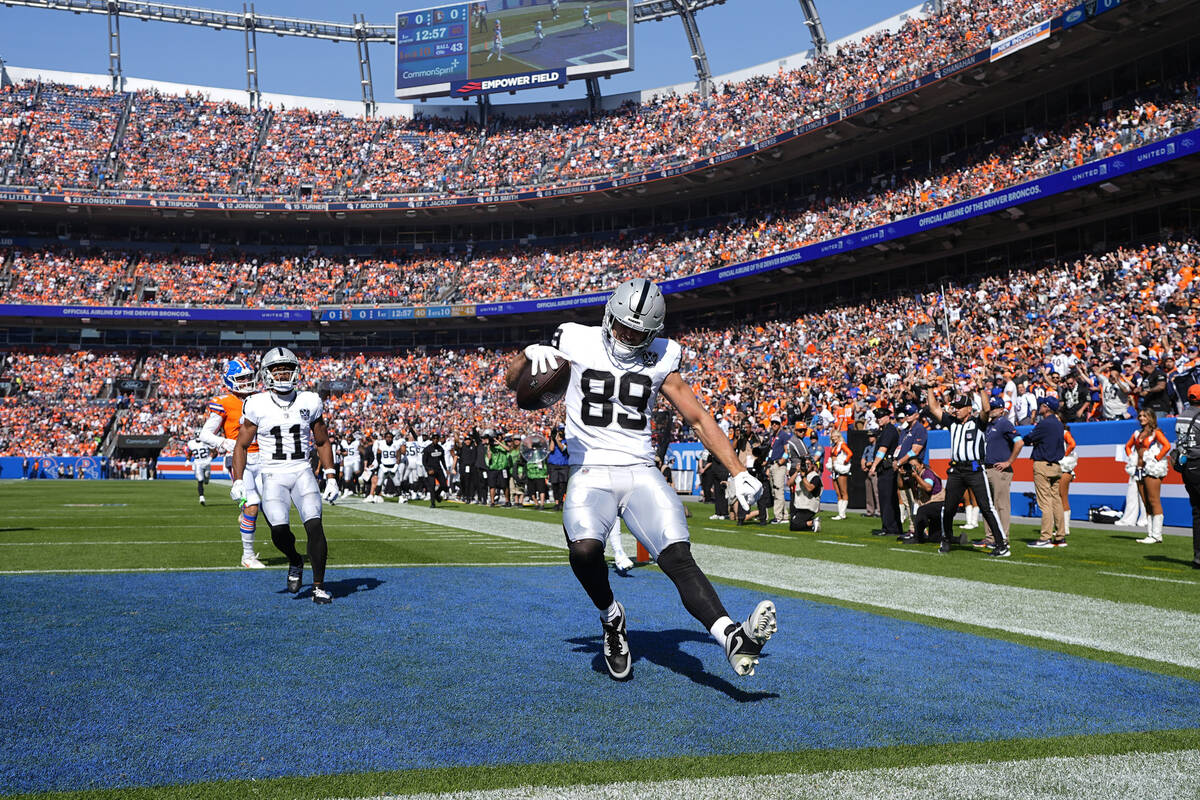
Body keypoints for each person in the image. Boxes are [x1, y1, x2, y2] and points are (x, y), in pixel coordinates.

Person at [508, 277, 776, 681]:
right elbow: (513, 382)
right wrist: (528, 356)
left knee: (677, 556)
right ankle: (611, 617)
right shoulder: (573, 339)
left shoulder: (663, 356)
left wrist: (738, 470)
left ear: (654, 332)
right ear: (608, 316)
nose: (627, 336)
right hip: (590, 469)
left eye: (638, 332)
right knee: (583, 551)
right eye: (622, 327)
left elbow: (698, 417)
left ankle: (731, 637)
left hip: (639, 469)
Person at [231, 347, 340, 604]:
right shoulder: (256, 403)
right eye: (277, 370)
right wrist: (237, 480)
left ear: (296, 371)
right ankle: (294, 559)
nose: (282, 374)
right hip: (272, 473)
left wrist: (331, 475)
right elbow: (241, 445)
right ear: (267, 374)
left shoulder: (309, 400)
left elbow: (322, 441)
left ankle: (318, 586)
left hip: (301, 469)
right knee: (279, 531)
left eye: (287, 369)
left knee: (314, 525)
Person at [197, 359, 265, 569]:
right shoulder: (224, 402)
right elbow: (205, 434)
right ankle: (247, 556)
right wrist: (227, 443)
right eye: (241, 378)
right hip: (240, 460)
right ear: (230, 380)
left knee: (271, 505)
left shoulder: (261, 399)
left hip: (263, 458)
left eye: (248, 377)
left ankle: (244, 515)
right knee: (252, 506)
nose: (246, 381)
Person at [925, 388, 1009, 557]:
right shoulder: (952, 422)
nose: (955, 409)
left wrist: (981, 387)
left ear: (969, 409)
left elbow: (986, 410)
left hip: (975, 470)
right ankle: (946, 539)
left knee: (987, 507)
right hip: (956, 470)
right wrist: (929, 388)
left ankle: (1001, 544)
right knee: (948, 509)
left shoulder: (978, 422)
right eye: (954, 406)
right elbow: (934, 408)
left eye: (959, 406)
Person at [980, 396, 1023, 549]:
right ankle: (990, 537)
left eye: (993, 407)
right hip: (988, 468)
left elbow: (1019, 442)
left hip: (999, 470)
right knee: (988, 505)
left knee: (1001, 504)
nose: (990, 410)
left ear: (1000, 409)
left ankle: (1003, 537)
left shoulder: (1004, 423)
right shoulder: (989, 424)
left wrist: (1009, 462)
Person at [1024, 397, 1068, 548]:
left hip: (1043, 464)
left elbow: (1029, 438)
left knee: (1045, 502)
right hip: (1056, 466)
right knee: (1056, 500)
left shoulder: (1045, 423)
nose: (1039, 407)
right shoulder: (1058, 424)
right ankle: (1060, 536)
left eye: (1042, 405)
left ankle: (1045, 537)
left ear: (1046, 407)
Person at [1127, 409, 1172, 544]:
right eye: (1140, 416)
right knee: (1146, 502)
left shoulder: (1156, 433)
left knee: (1154, 500)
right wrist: (1132, 458)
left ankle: (1157, 535)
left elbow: (1167, 446)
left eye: (1144, 416)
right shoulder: (1137, 433)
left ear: (1151, 418)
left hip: (1151, 470)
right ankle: (1150, 534)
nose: (1141, 418)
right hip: (1139, 470)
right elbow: (1127, 447)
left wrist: (1156, 459)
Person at [1173, 384, 1200, 567]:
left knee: (1197, 512)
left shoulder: (1182, 416)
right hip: (1198, 463)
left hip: (1187, 467)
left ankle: (1198, 555)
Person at [869, 407, 902, 537]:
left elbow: (883, 450)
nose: (879, 419)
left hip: (887, 469)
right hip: (885, 469)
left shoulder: (888, 431)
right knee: (887, 498)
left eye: (881, 417)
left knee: (887, 499)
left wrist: (873, 465)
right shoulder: (885, 430)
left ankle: (890, 527)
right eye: (877, 417)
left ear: (888, 416)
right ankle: (890, 526)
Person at [898, 461, 944, 544]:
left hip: (939, 502)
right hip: (930, 504)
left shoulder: (927, 473)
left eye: (914, 465)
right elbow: (901, 486)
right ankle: (958, 539)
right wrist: (900, 474)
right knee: (935, 538)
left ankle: (918, 537)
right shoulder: (911, 475)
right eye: (910, 466)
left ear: (922, 465)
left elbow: (928, 488)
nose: (913, 468)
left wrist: (916, 476)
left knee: (922, 511)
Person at [789, 455, 822, 532]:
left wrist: (803, 477)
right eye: (804, 464)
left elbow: (810, 488)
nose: (806, 466)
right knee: (794, 523)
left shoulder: (815, 477)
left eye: (808, 464)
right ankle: (812, 524)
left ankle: (812, 523)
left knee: (793, 526)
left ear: (813, 465)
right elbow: (789, 483)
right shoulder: (800, 475)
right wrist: (797, 472)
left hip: (808, 507)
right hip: (799, 505)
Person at [1059, 426, 1077, 542]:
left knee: (1062, 496)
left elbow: (1072, 444)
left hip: (1065, 468)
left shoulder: (1065, 433)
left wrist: (1064, 455)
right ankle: (1060, 526)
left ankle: (1065, 528)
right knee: (1056, 497)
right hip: (1058, 467)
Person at [184, 435, 213, 506]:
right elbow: (189, 453)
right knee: (200, 480)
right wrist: (187, 460)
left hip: (206, 462)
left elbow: (214, 452)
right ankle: (201, 497)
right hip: (198, 463)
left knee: (207, 476)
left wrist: (210, 458)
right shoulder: (191, 443)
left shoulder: (206, 442)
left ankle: (206, 480)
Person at [423, 432, 448, 508]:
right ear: (432, 439)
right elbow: (424, 461)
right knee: (432, 486)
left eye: (437, 438)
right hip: (431, 470)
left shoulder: (440, 448)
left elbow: (442, 460)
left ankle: (437, 495)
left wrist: (445, 469)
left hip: (438, 469)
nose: (435, 440)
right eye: (434, 438)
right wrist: (428, 469)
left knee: (444, 485)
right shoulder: (427, 449)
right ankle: (433, 503)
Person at [548, 425, 570, 509]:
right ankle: (557, 502)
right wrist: (553, 438)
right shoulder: (553, 440)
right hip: (553, 465)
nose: (560, 433)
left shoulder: (566, 441)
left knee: (562, 485)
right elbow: (551, 449)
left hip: (563, 465)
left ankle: (561, 501)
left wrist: (558, 441)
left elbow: (563, 449)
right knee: (555, 485)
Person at [860, 431, 878, 517]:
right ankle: (870, 511)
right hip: (867, 470)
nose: (870, 438)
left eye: (872, 436)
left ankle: (879, 511)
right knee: (869, 492)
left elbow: (878, 459)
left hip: (875, 470)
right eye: (869, 436)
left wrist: (869, 464)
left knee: (877, 491)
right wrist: (863, 465)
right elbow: (863, 457)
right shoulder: (867, 447)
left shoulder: (878, 447)